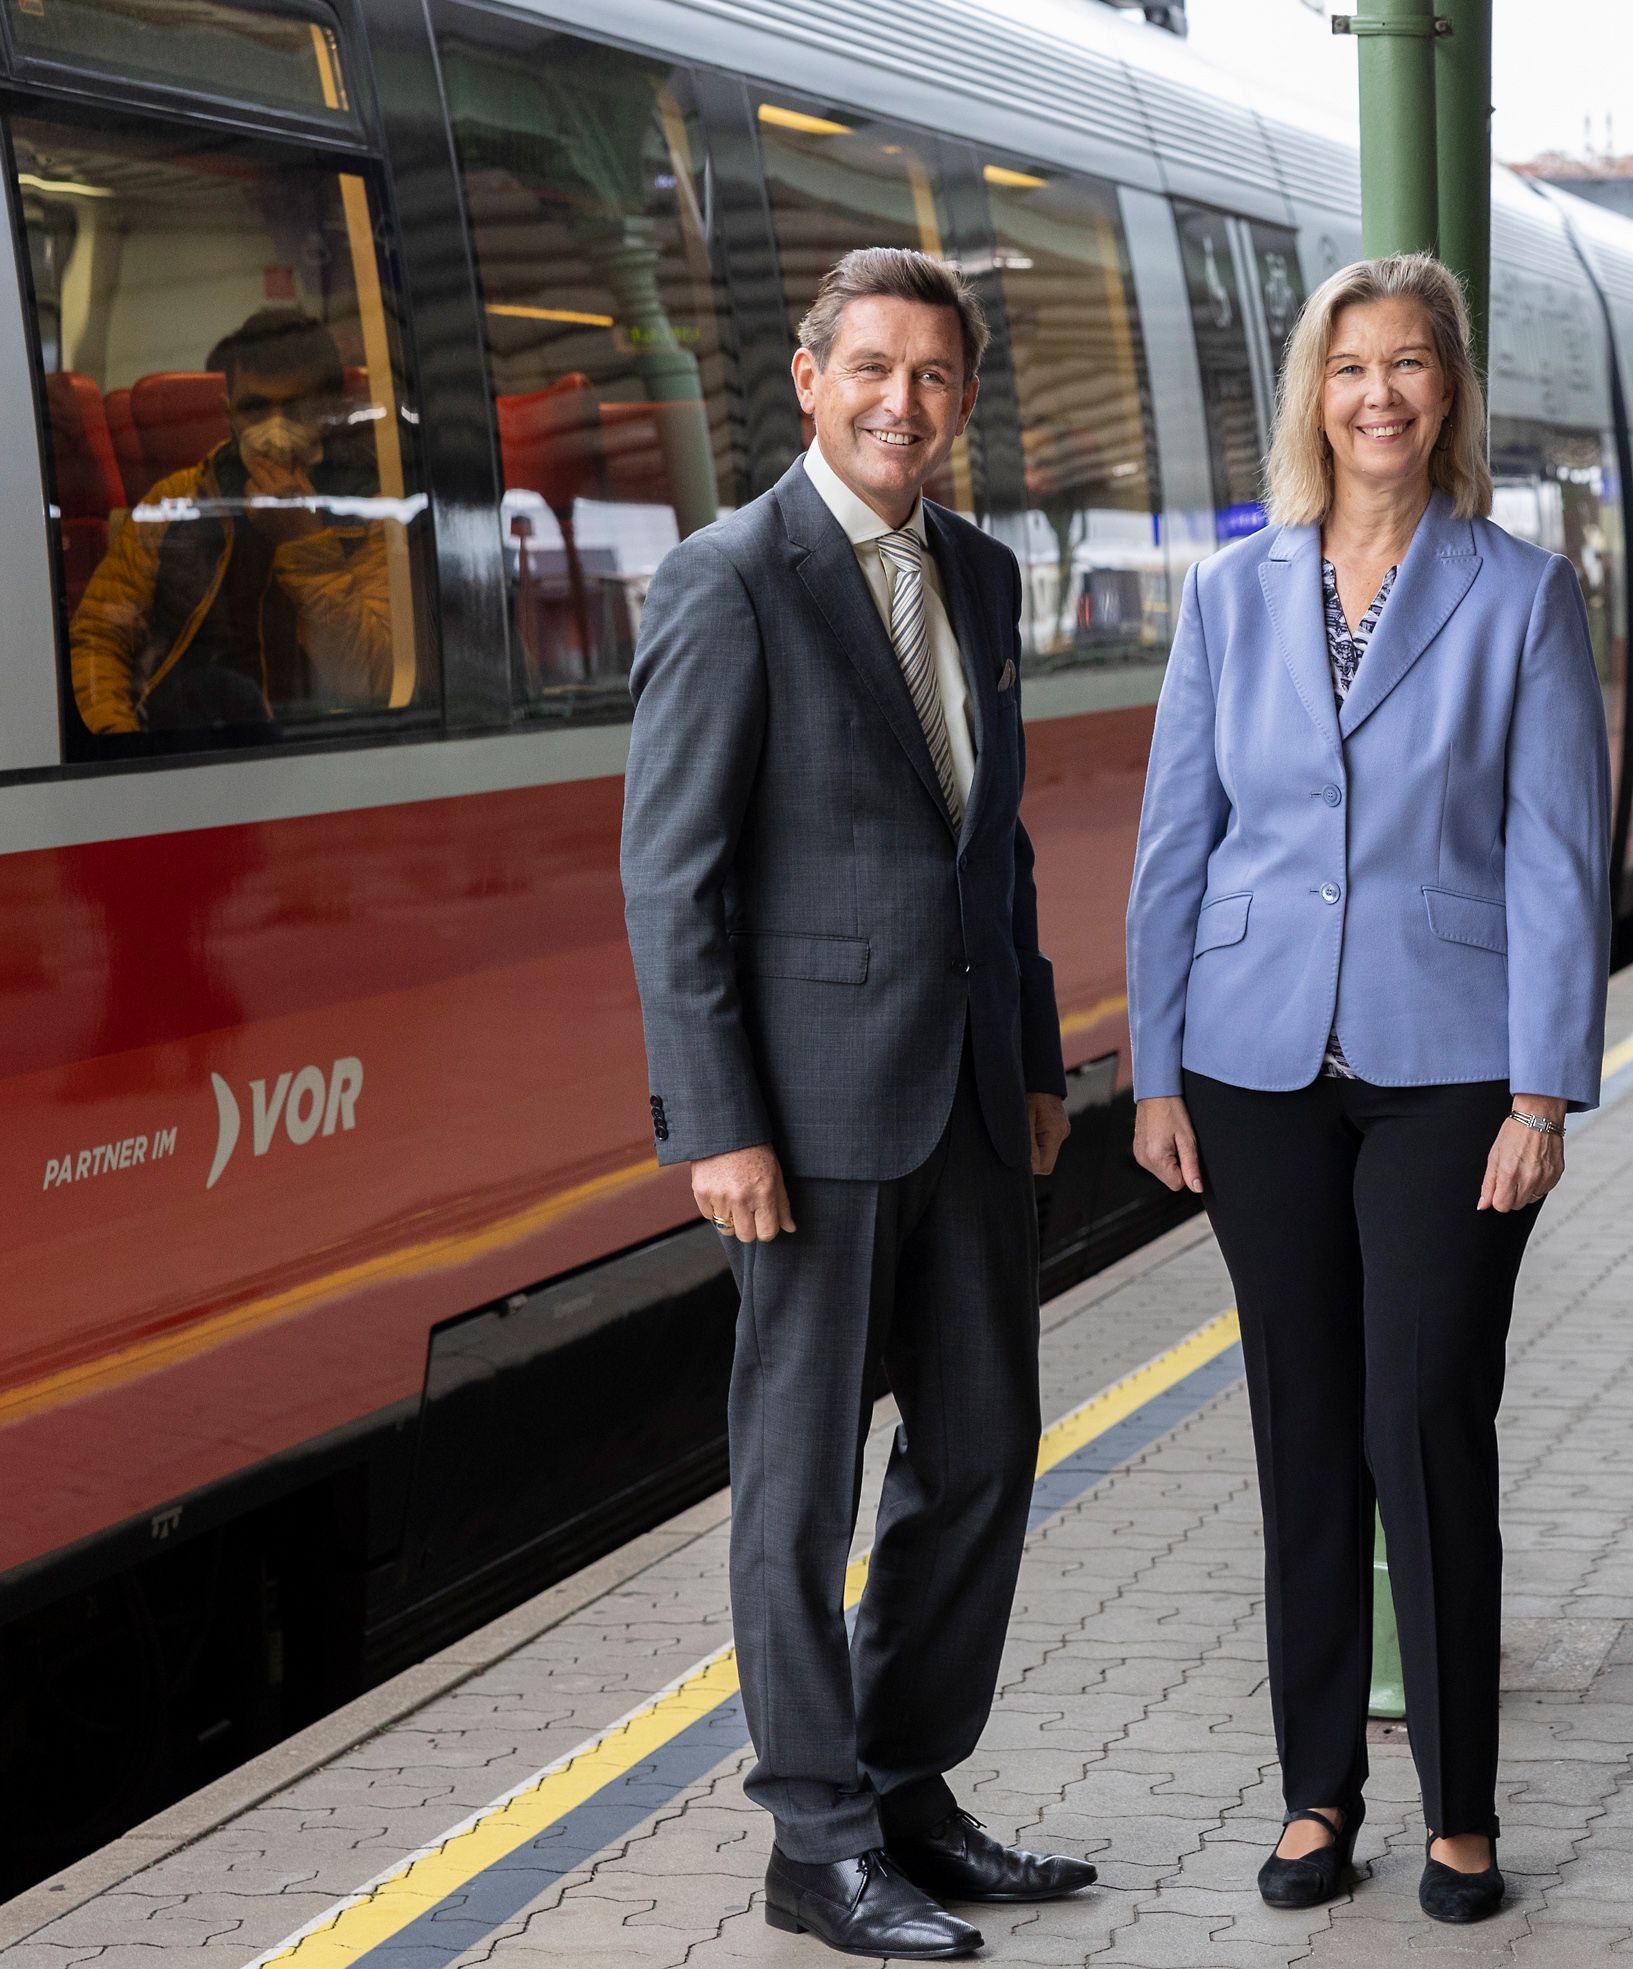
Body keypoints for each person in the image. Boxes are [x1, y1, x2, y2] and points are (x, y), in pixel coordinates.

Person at [620, 247, 1095, 1961]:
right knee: (800, 1484)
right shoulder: (727, 577)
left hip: (968, 1094)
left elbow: (999, 845)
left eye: (938, 376)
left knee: (978, 1454)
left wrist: (1037, 1054)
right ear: (810, 378)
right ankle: (812, 1838)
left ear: (965, 402)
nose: (906, 401)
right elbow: (672, 881)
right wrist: (714, 1118)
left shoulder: (976, 567)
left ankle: (905, 1787)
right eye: (874, 368)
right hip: (805, 1119)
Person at [1125, 253, 1611, 1928]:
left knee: (1424, 1419)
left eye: (1410, 364)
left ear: (1447, 392)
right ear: (1310, 394)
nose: (1380, 394)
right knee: (1299, 1438)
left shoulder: (1520, 594)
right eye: (1351, 367)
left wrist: (1542, 1092)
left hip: (1448, 1068)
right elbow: (1174, 837)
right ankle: (1315, 1789)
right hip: (1250, 1062)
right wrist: (1151, 1070)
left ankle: (1461, 1808)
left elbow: (1555, 856)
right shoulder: (1226, 592)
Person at [68, 308, 395, 740]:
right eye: (255, 408)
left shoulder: (375, 510)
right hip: (183, 741)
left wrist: (304, 542)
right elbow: (99, 638)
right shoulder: (176, 501)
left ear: (330, 409)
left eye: (295, 406)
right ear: (228, 413)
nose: (274, 430)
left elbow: (374, 680)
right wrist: (121, 743)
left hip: (323, 748)